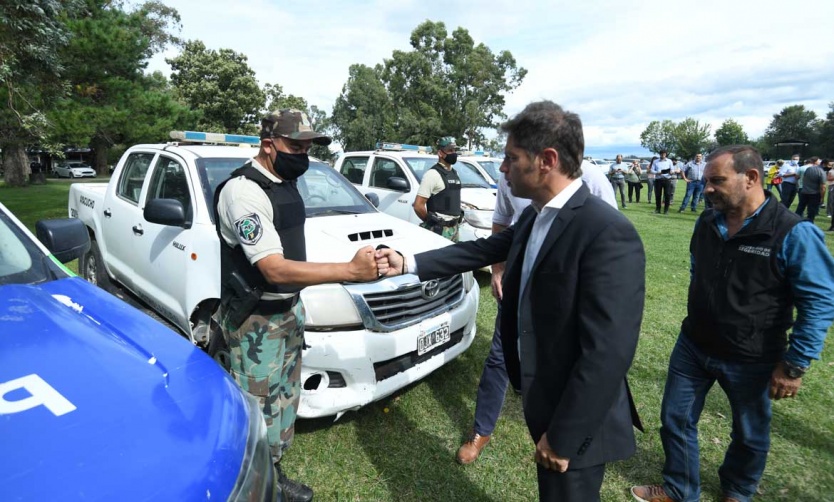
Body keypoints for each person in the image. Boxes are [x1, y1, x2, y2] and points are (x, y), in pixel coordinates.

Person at [377, 101, 646, 501]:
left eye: (511, 158)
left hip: (579, 418)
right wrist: (406, 262)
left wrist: (563, 436)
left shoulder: (606, 231)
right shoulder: (537, 216)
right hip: (545, 399)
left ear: (547, 161)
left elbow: (608, 353)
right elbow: (480, 251)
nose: (502, 168)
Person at [631, 145, 834, 502]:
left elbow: (819, 302)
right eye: (706, 181)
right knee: (676, 420)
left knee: (750, 433)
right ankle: (681, 488)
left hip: (753, 355)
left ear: (751, 178)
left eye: (717, 181)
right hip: (694, 345)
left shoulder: (793, 232)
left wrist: (795, 364)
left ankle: (737, 490)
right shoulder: (707, 221)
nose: (706, 188)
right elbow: (698, 269)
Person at [214, 109, 379, 502]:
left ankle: (273, 473)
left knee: (284, 400)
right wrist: (351, 271)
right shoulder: (243, 191)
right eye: (296, 146)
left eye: (308, 147)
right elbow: (272, 268)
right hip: (257, 322)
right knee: (254, 411)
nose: (303, 155)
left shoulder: (284, 182)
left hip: (287, 311)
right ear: (268, 145)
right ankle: (250, 487)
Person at [456, 155, 618, 467]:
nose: (503, 167)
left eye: (511, 156)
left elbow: (607, 228)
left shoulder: (591, 176)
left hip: (563, 292)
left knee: (563, 359)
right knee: (499, 356)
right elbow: (502, 224)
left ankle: (566, 434)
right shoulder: (510, 177)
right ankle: (481, 430)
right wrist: (499, 270)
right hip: (518, 283)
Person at [413, 136, 462, 241]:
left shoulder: (454, 173)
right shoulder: (432, 174)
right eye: (450, 150)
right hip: (440, 231)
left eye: (454, 150)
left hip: (455, 229)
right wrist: (431, 223)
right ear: (440, 153)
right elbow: (418, 205)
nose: (453, 153)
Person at [795, 157, 825, 223]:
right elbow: (822, 185)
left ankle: (795, 220)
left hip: (804, 190)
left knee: (800, 207)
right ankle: (809, 222)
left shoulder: (807, 169)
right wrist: (822, 197)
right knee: (811, 210)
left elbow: (800, 178)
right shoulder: (820, 171)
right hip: (814, 193)